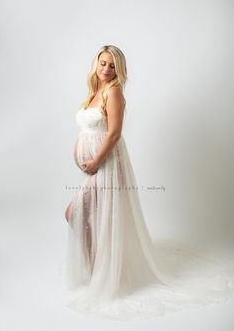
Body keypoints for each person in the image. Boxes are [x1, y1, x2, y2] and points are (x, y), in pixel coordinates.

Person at [61, 45, 234, 321]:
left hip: (105, 165)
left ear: (120, 69)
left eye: (112, 66)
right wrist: (78, 151)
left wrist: (95, 162)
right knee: (87, 214)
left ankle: (100, 273)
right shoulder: (93, 92)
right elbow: (87, 129)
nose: (106, 69)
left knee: (75, 212)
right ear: (95, 64)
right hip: (91, 167)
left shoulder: (113, 91)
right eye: (103, 63)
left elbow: (114, 133)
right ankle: (97, 268)